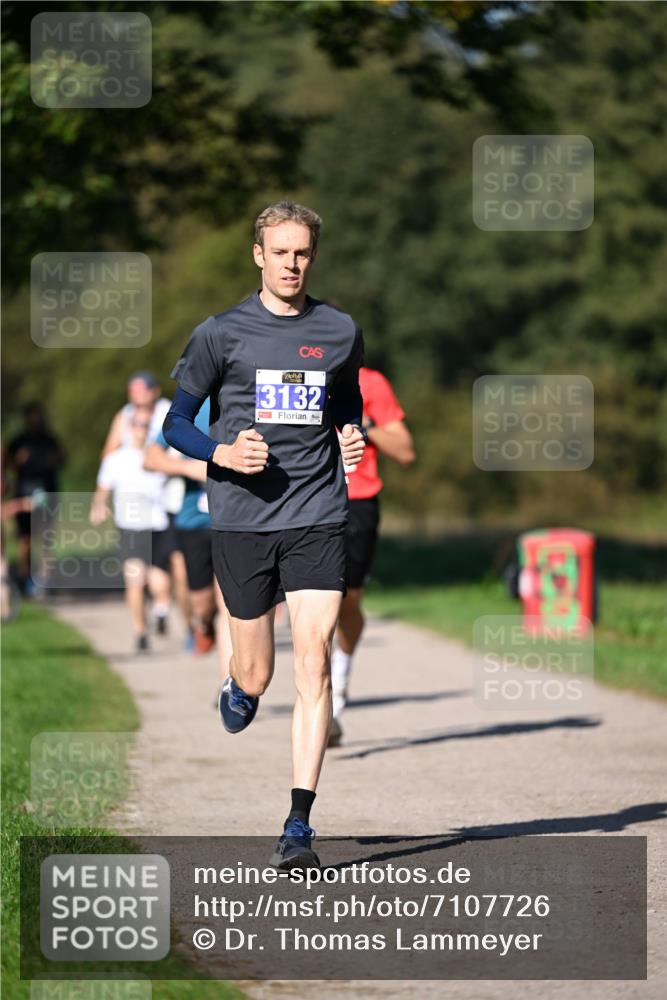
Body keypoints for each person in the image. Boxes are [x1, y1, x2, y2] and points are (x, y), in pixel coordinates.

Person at [162, 200, 366, 870]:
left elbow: (343, 401)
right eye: (279, 252)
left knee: (312, 662)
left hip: (317, 513)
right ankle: (240, 686)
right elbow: (177, 424)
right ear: (258, 254)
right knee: (259, 671)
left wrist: (351, 436)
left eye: (302, 253)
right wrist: (219, 455)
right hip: (243, 518)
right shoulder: (221, 333)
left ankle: (298, 825)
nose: (291, 264)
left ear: (313, 256)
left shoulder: (338, 331)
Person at [329, 366, 416, 747]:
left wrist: (364, 429)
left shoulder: (371, 382)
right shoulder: (285, 372)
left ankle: (339, 686)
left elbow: (406, 451)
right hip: (298, 502)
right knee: (314, 603)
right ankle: (319, 705)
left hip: (356, 505)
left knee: (347, 603)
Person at [144, 397, 231, 664]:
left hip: (237, 519)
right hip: (194, 520)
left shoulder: (256, 398)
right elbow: (151, 458)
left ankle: (231, 682)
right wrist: (189, 467)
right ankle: (204, 625)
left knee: (230, 604)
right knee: (203, 604)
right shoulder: (198, 406)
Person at [90, 411, 171, 653]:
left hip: (158, 524)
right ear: (128, 428)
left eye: (146, 425)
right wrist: (98, 506)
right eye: (137, 424)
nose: (141, 429)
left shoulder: (159, 454)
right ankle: (140, 632)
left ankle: (161, 611)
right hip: (130, 527)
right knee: (135, 580)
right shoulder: (114, 460)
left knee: (160, 584)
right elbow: (103, 488)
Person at [4, 402, 65, 592]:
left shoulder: (50, 440)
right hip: (24, 491)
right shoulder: (18, 441)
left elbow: (63, 459)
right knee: (25, 537)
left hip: (47, 491)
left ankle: (46, 577)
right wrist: (17, 461)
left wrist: (55, 460)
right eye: (33, 416)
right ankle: (24, 576)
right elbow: (6, 466)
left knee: (46, 535)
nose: (37, 420)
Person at [101, 371, 171, 457]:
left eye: (143, 388)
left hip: (160, 465)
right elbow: (108, 451)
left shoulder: (167, 410)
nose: (138, 393)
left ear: (155, 391)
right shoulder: (125, 414)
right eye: (134, 390)